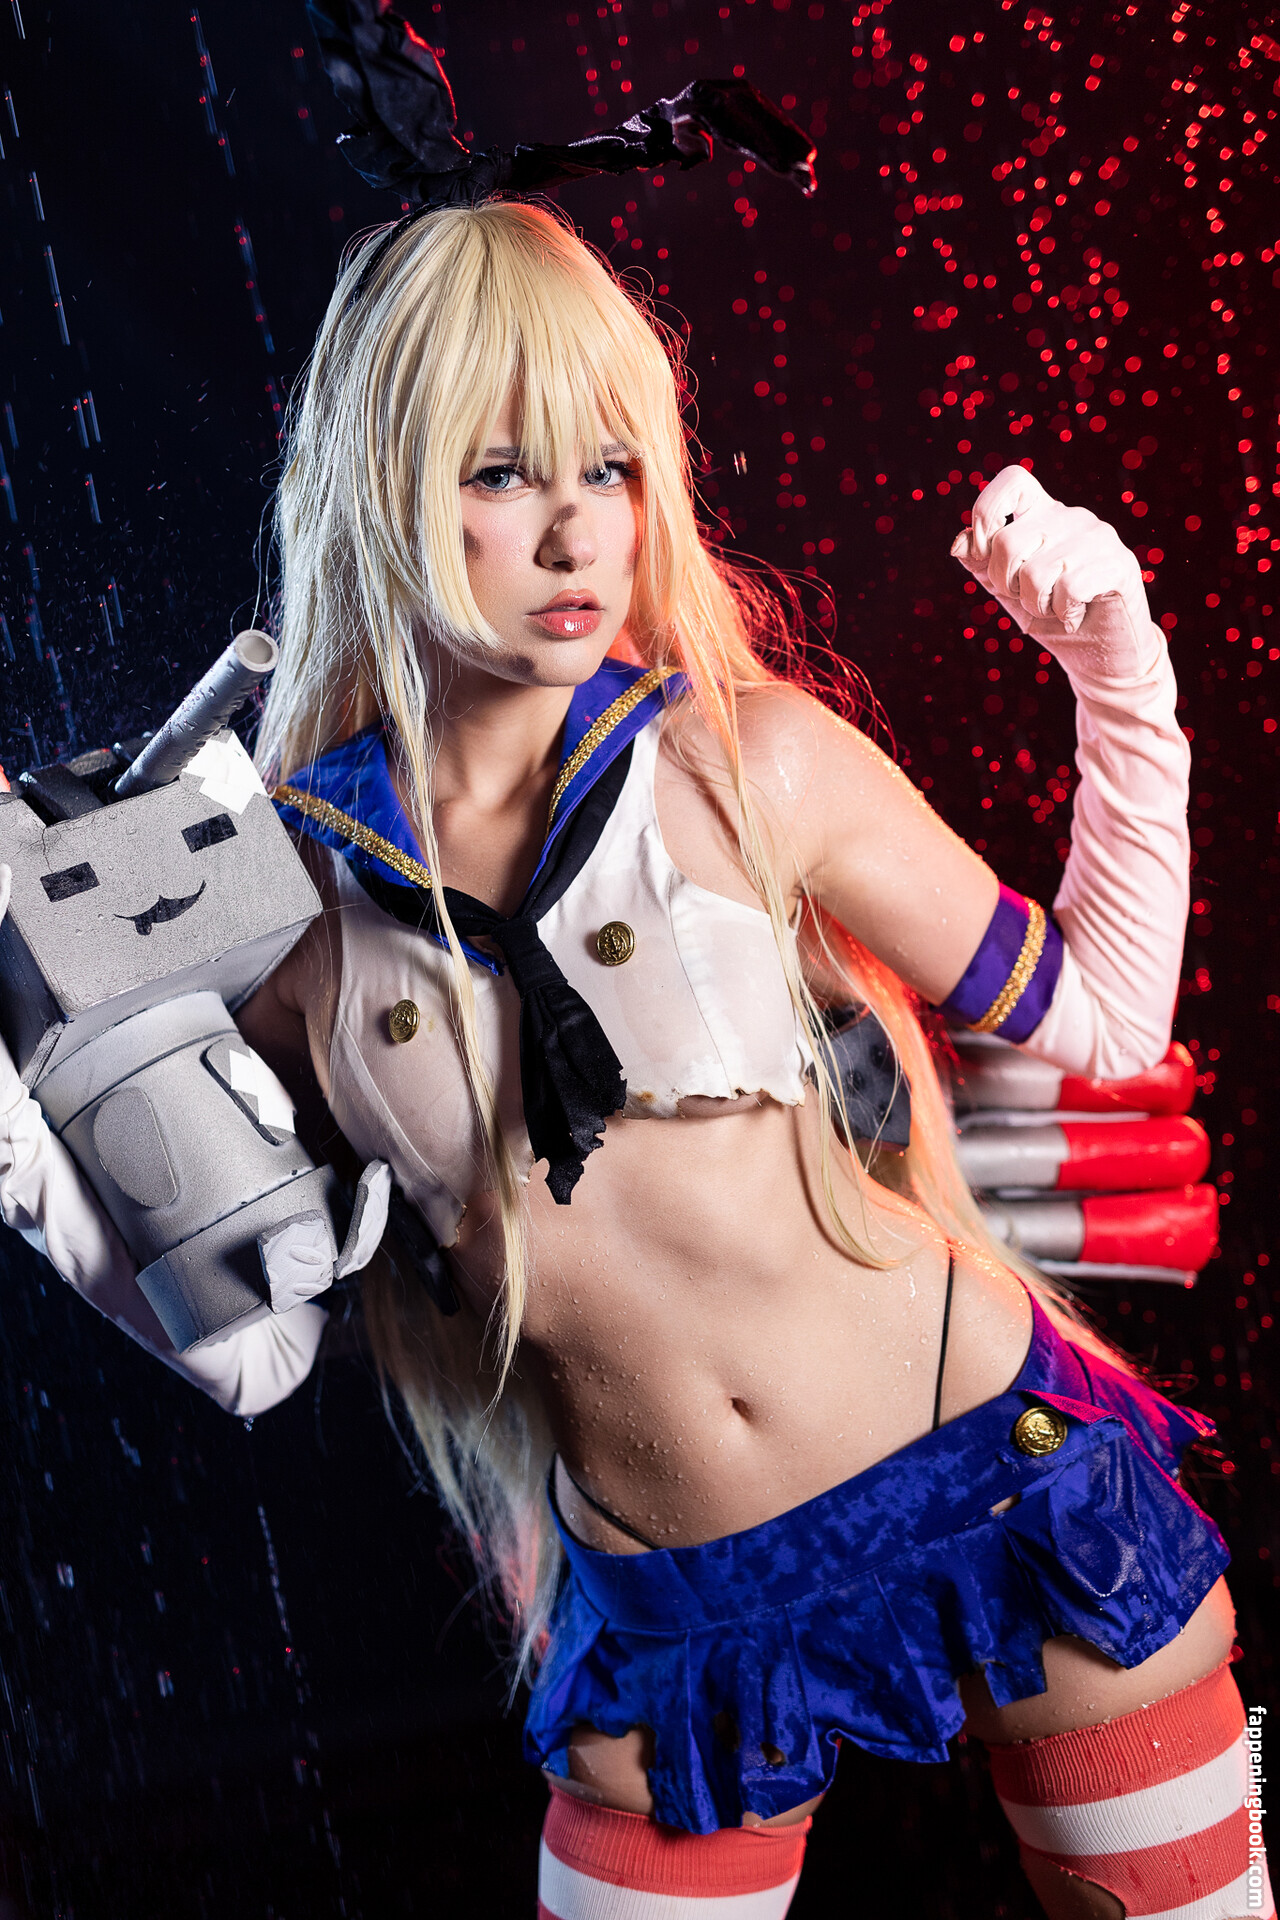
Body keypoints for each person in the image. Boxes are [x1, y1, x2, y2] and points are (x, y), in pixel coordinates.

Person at [0, 201, 1269, 1920]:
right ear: (381, 487)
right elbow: (253, 1350)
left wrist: (1118, 669)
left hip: (1010, 1481)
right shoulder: (273, 908)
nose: (573, 530)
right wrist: (26, 1148)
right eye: (500, 472)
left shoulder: (752, 760)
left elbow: (1104, 1019)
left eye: (607, 466)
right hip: (673, 1616)